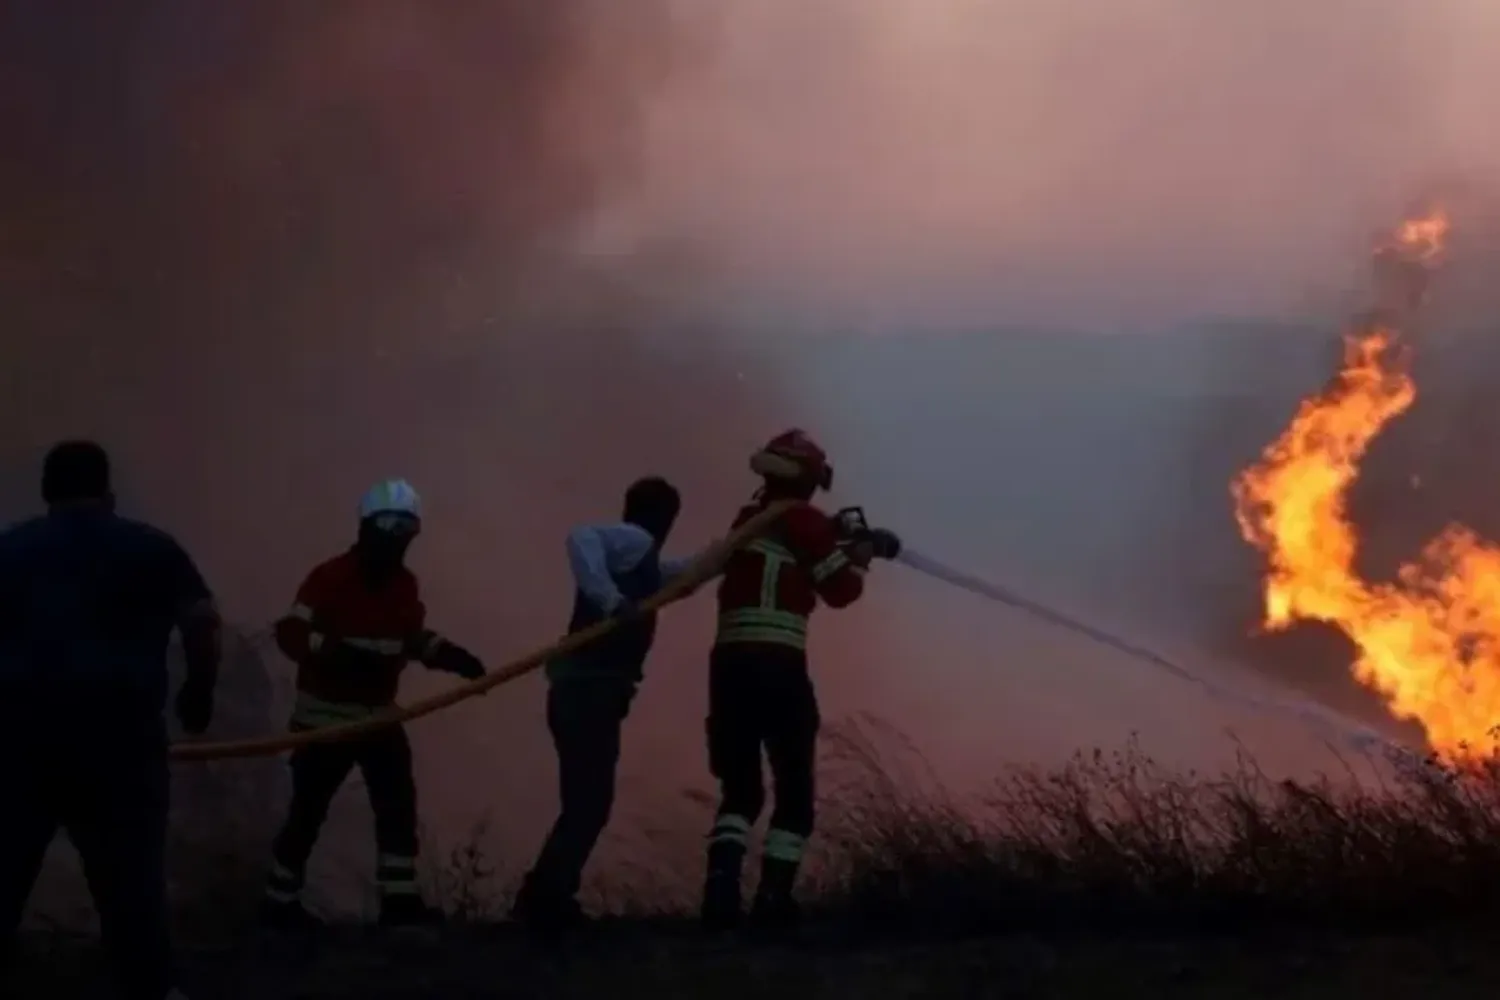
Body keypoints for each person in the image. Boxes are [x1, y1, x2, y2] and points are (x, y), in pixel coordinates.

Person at [0, 440, 222, 1000]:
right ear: (108, 490)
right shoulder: (152, 549)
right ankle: (149, 988)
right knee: (132, 886)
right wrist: (198, 695)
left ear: (48, 492)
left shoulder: (11, 550)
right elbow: (200, 626)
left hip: (23, 746)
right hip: (121, 746)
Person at [260, 478, 486, 929]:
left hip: (379, 717)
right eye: (388, 524)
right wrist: (333, 651)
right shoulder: (330, 577)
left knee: (397, 805)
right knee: (308, 812)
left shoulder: (403, 585)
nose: (397, 536)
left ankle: (399, 903)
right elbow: (290, 632)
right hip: (326, 720)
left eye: (406, 528)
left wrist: (453, 657)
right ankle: (278, 904)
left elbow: (411, 639)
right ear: (366, 526)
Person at [700, 430, 899, 932]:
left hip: (727, 669)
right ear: (810, 480)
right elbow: (841, 591)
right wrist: (861, 556)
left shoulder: (747, 521)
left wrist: (842, 537)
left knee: (740, 792)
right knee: (793, 788)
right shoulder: (806, 523)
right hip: (778, 666)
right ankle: (773, 899)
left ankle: (720, 892)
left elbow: (793, 540)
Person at [513, 476, 714, 932]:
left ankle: (546, 894)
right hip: (588, 690)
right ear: (664, 517)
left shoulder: (643, 562)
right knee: (591, 801)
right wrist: (610, 601)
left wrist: (727, 552)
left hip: (586, 691)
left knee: (584, 800)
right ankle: (545, 900)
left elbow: (684, 574)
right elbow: (581, 537)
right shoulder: (633, 542)